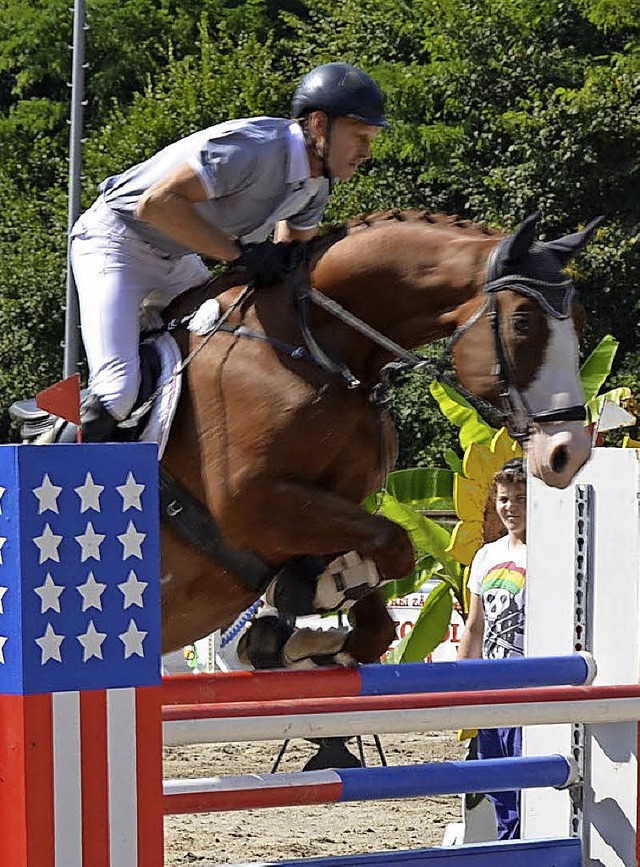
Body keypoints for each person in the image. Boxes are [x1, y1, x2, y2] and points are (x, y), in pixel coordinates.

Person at [67, 62, 389, 442]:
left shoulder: (316, 185)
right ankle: (45, 436)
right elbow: (156, 204)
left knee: (227, 349)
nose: (367, 152)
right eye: (360, 136)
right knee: (118, 392)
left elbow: (293, 258)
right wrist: (239, 256)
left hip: (177, 258)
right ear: (320, 125)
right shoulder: (253, 149)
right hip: (115, 242)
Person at [456, 457, 527, 840]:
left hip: (532, 688)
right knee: (496, 780)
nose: (510, 507)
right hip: (492, 686)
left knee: (523, 780)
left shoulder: (550, 554)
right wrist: (462, 678)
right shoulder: (487, 555)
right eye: (504, 498)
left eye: (519, 498)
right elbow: (475, 625)